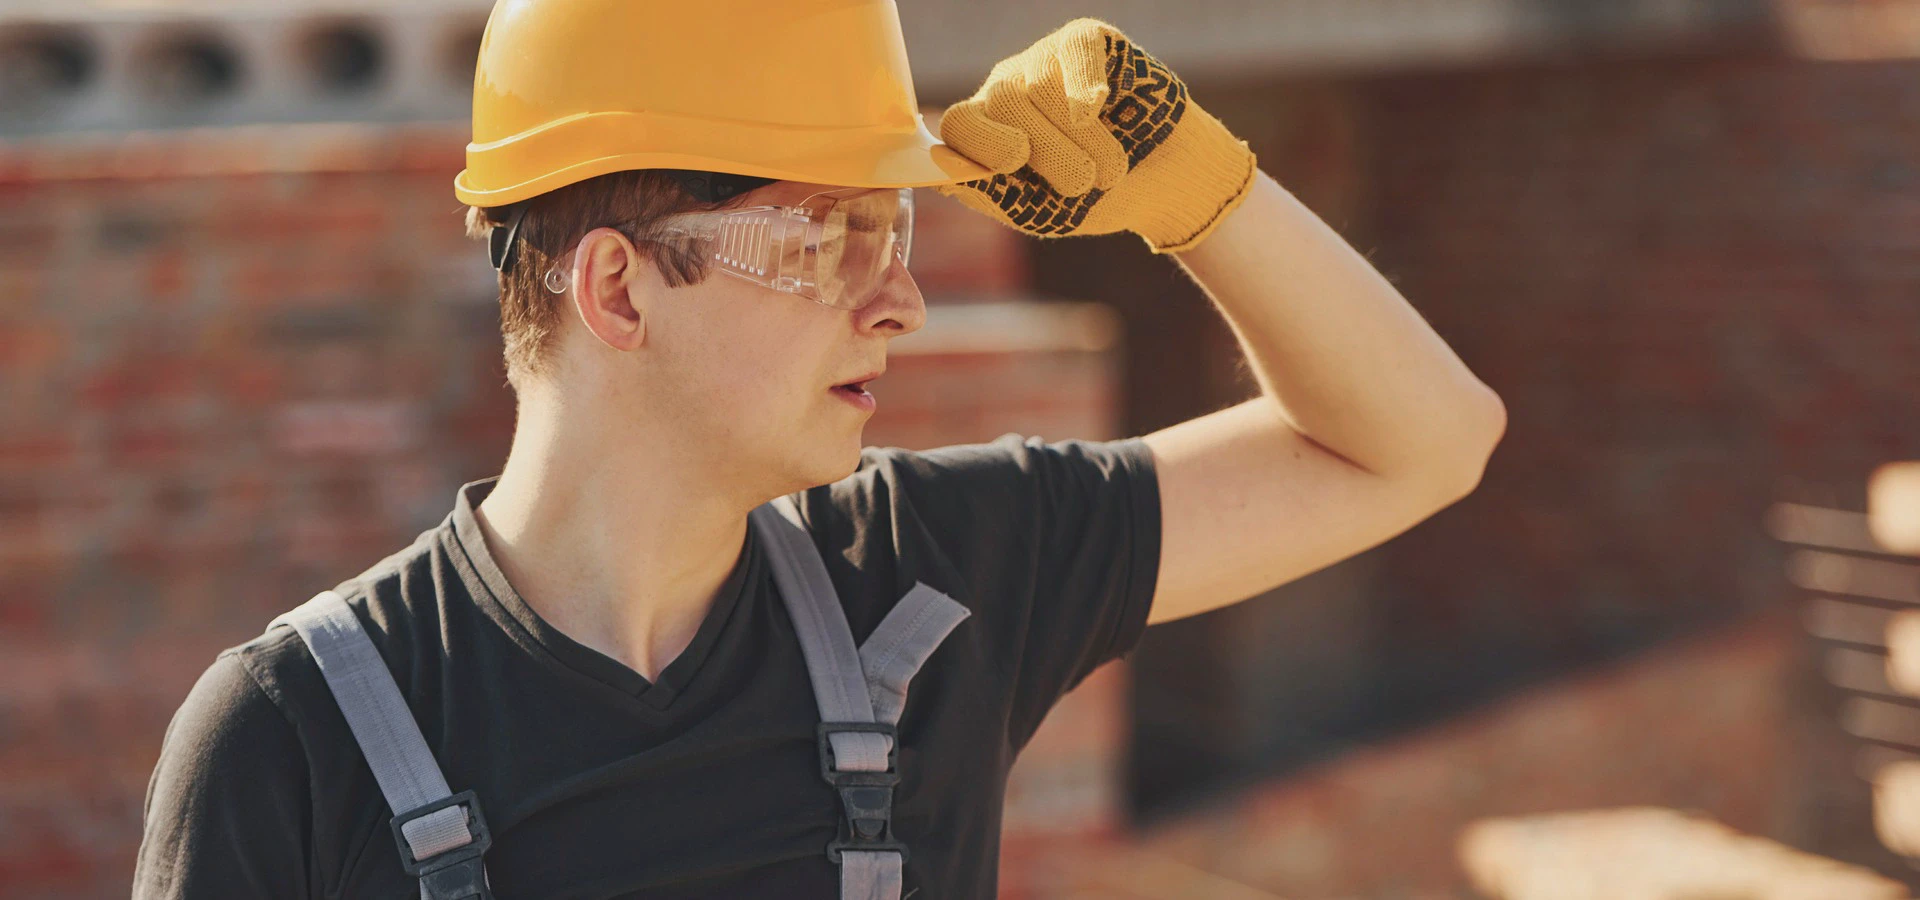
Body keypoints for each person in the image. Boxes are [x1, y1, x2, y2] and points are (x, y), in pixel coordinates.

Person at [132, 4, 1505, 899]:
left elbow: (1421, 445)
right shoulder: (291, 747)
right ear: (615, 292)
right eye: (821, 238)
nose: (897, 299)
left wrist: (1203, 192)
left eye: (887, 232)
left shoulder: (931, 582)